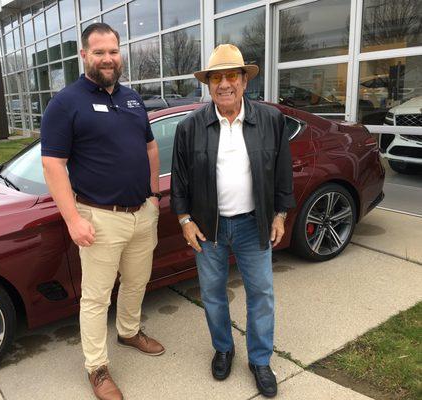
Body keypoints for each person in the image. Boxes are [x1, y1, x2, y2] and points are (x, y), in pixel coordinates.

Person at [40, 23, 164, 400]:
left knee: (137, 281)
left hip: (142, 213)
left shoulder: (131, 99)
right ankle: (97, 368)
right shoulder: (66, 103)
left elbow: (151, 150)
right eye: (99, 52)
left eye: (113, 51)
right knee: (95, 299)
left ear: (119, 53)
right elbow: (52, 164)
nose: (108, 58)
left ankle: (128, 331)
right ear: (84, 56)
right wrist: (73, 220)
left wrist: (155, 197)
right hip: (99, 218)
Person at [170, 44, 295, 398]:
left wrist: (281, 215)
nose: (224, 84)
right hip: (208, 229)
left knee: (261, 294)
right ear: (208, 85)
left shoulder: (270, 120)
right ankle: (223, 348)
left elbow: (283, 173)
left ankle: (259, 360)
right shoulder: (190, 127)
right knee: (212, 294)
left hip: (253, 224)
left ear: (244, 80)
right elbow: (179, 181)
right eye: (216, 78)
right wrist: (184, 220)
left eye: (231, 76)